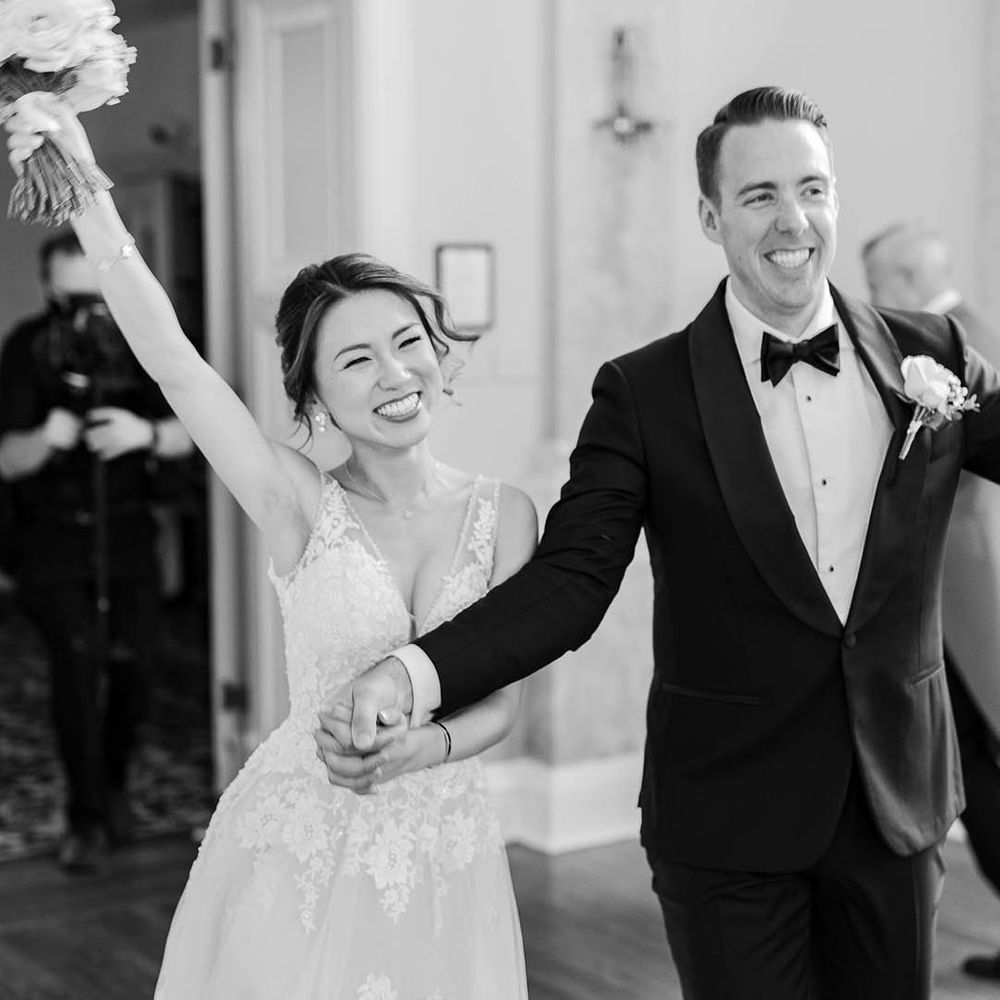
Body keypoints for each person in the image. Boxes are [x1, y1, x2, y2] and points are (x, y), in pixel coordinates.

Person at [322, 86, 1000, 999]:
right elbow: (569, 580)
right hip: (726, 818)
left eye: (812, 189)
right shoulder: (645, 395)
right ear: (711, 216)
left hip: (897, 806)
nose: (791, 219)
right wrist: (413, 672)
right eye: (759, 196)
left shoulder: (936, 357)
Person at [4, 95, 535, 998]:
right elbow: (174, 362)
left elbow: (502, 704)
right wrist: (87, 184)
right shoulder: (297, 500)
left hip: (447, 848)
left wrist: (421, 751)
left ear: (441, 354)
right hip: (299, 837)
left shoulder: (508, 513)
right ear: (319, 397)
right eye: (356, 359)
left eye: (408, 342)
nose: (395, 373)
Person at [0, 231, 194, 872]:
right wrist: (46, 437)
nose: (86, 309)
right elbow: (7, 458)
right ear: (49, 286)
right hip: (51, 537)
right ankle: (85, 816)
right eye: (73, 293)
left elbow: (198, 431)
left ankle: (110, 784)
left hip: (129, 531)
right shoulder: (27, 348)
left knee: (137, 667)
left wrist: (146, 433)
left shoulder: (144, 339)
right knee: (77, 667)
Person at [863, 220, 1000, 984]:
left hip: (966, 590)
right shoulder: (972, 330)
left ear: (909, 281)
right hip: (966, 583)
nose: (872, 298)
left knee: (982, 775)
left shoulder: (950, 348)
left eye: (878, 281)